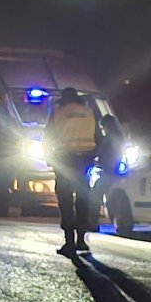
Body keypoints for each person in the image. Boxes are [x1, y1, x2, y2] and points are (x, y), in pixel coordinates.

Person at [44, 86, 97, 257]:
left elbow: (48, 137)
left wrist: (49, 159)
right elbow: (98, 137)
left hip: (65, 161)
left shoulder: (59, 113)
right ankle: (81, 240)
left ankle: (69, 242)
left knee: (65, 202)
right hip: (85, 161)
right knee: (82, 200)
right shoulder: (89, 112)